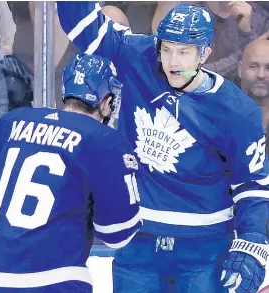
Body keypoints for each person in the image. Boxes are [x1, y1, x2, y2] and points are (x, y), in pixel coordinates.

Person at [57, 2, 269, 293]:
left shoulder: (238, 111)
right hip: (138, 241)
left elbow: (253, 184)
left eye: (184, 52)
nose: (172, 62)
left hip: (204, 248)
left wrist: (253, 241)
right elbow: (83, 25)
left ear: (205, 52)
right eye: (166, 49)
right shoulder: (138, 57)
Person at [0, 53, 142, 293]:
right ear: (107, 102)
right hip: (54, 280)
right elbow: (117, 234)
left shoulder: (11, 121)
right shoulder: (104, 140)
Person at [238, 39, 269, 127]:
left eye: (268, 68)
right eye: (253, 67)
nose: (261, 75)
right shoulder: (221, 113)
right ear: (240, 69)